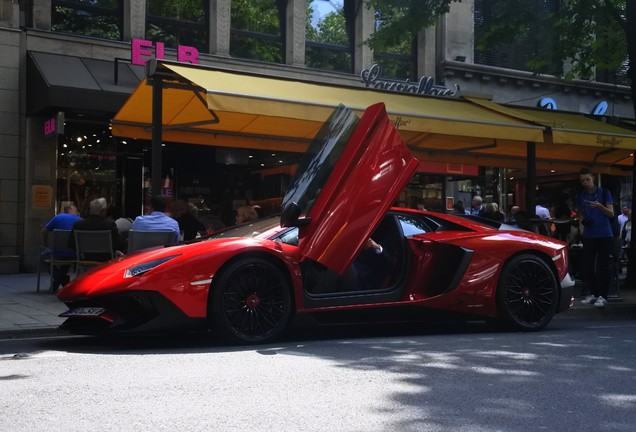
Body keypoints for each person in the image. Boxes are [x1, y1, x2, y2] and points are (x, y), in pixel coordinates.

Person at [575, 167, 615, 308]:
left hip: (604, 234)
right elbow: (580, 213)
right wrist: (581, 227)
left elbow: (611, 213)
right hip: (589, 234)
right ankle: (594, 293)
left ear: (593, 179)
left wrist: (600, 207)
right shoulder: (581, 196)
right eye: (583, 181)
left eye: (587, 180)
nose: (585, 183)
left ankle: (603, 296)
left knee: (602, 267)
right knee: (588, 266)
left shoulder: (604, 193)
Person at [41, 203, 83, 292]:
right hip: (75, 253)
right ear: (73, 210)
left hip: (57, 252)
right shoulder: (81, 221)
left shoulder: (58, 217)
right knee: (68, 256)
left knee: (42, 257)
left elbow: (44, 232)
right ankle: (62, 278)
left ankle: (57, 277)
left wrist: (45, 246)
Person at [69, 197, 121, 262]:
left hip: (86, 259)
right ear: (103, 211)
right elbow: (118, 245)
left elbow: (71, 244)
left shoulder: (78, 225)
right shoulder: (109, 225)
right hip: (106, 261)